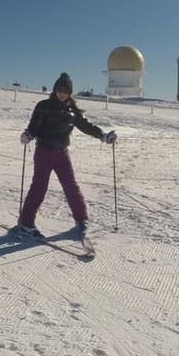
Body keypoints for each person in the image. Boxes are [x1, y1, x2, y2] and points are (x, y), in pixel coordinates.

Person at [18, 72, 116, 236]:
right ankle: (26, 222)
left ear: (69, 92)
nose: (62, 93)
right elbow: (35, 125)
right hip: (44, 151)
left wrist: (103, 135)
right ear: (55, 89)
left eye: (65, 90)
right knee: (39, 187)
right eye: (59, 89)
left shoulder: (73, 111)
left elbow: (86, 126)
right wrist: (28, 135)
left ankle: (81, 218)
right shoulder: (44, 105)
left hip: (62, 153)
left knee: (71, 185)